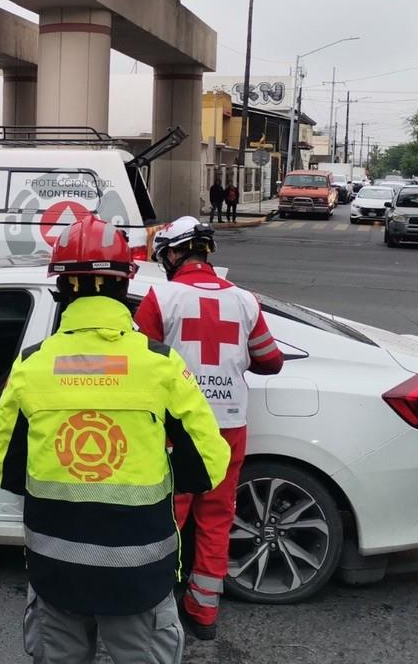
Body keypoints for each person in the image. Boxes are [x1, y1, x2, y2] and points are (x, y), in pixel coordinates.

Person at [0, 215, 229, 664]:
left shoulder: (31, 365)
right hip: (139, 580)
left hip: (56, 577)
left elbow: (6, 467)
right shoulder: (160, 365)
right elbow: (209, 464)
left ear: (60, 290)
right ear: (125, 285)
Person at [135, 216, 284, 639]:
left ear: (174, 252)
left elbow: (140, 360)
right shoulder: (244, 300)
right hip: (229, 426)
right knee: (217, 517)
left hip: (177, 428)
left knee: (169, 518)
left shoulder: (161, 297)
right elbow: (270, 360)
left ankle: (155, 610)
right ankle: (203, 614)